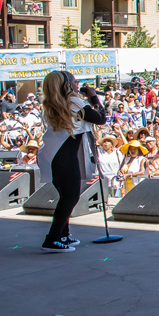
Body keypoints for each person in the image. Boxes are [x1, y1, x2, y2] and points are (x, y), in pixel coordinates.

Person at [37, 70, 107, 253]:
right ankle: (52, 239)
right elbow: (100, 119)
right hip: (64, 154)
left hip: (53, 153)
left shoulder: (54, 102)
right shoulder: (74, 102)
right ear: (67, 85)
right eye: (75, 82)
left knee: (65, 196)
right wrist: (93, 98)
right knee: (70, 197)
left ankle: (63, 234)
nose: (78, 85)